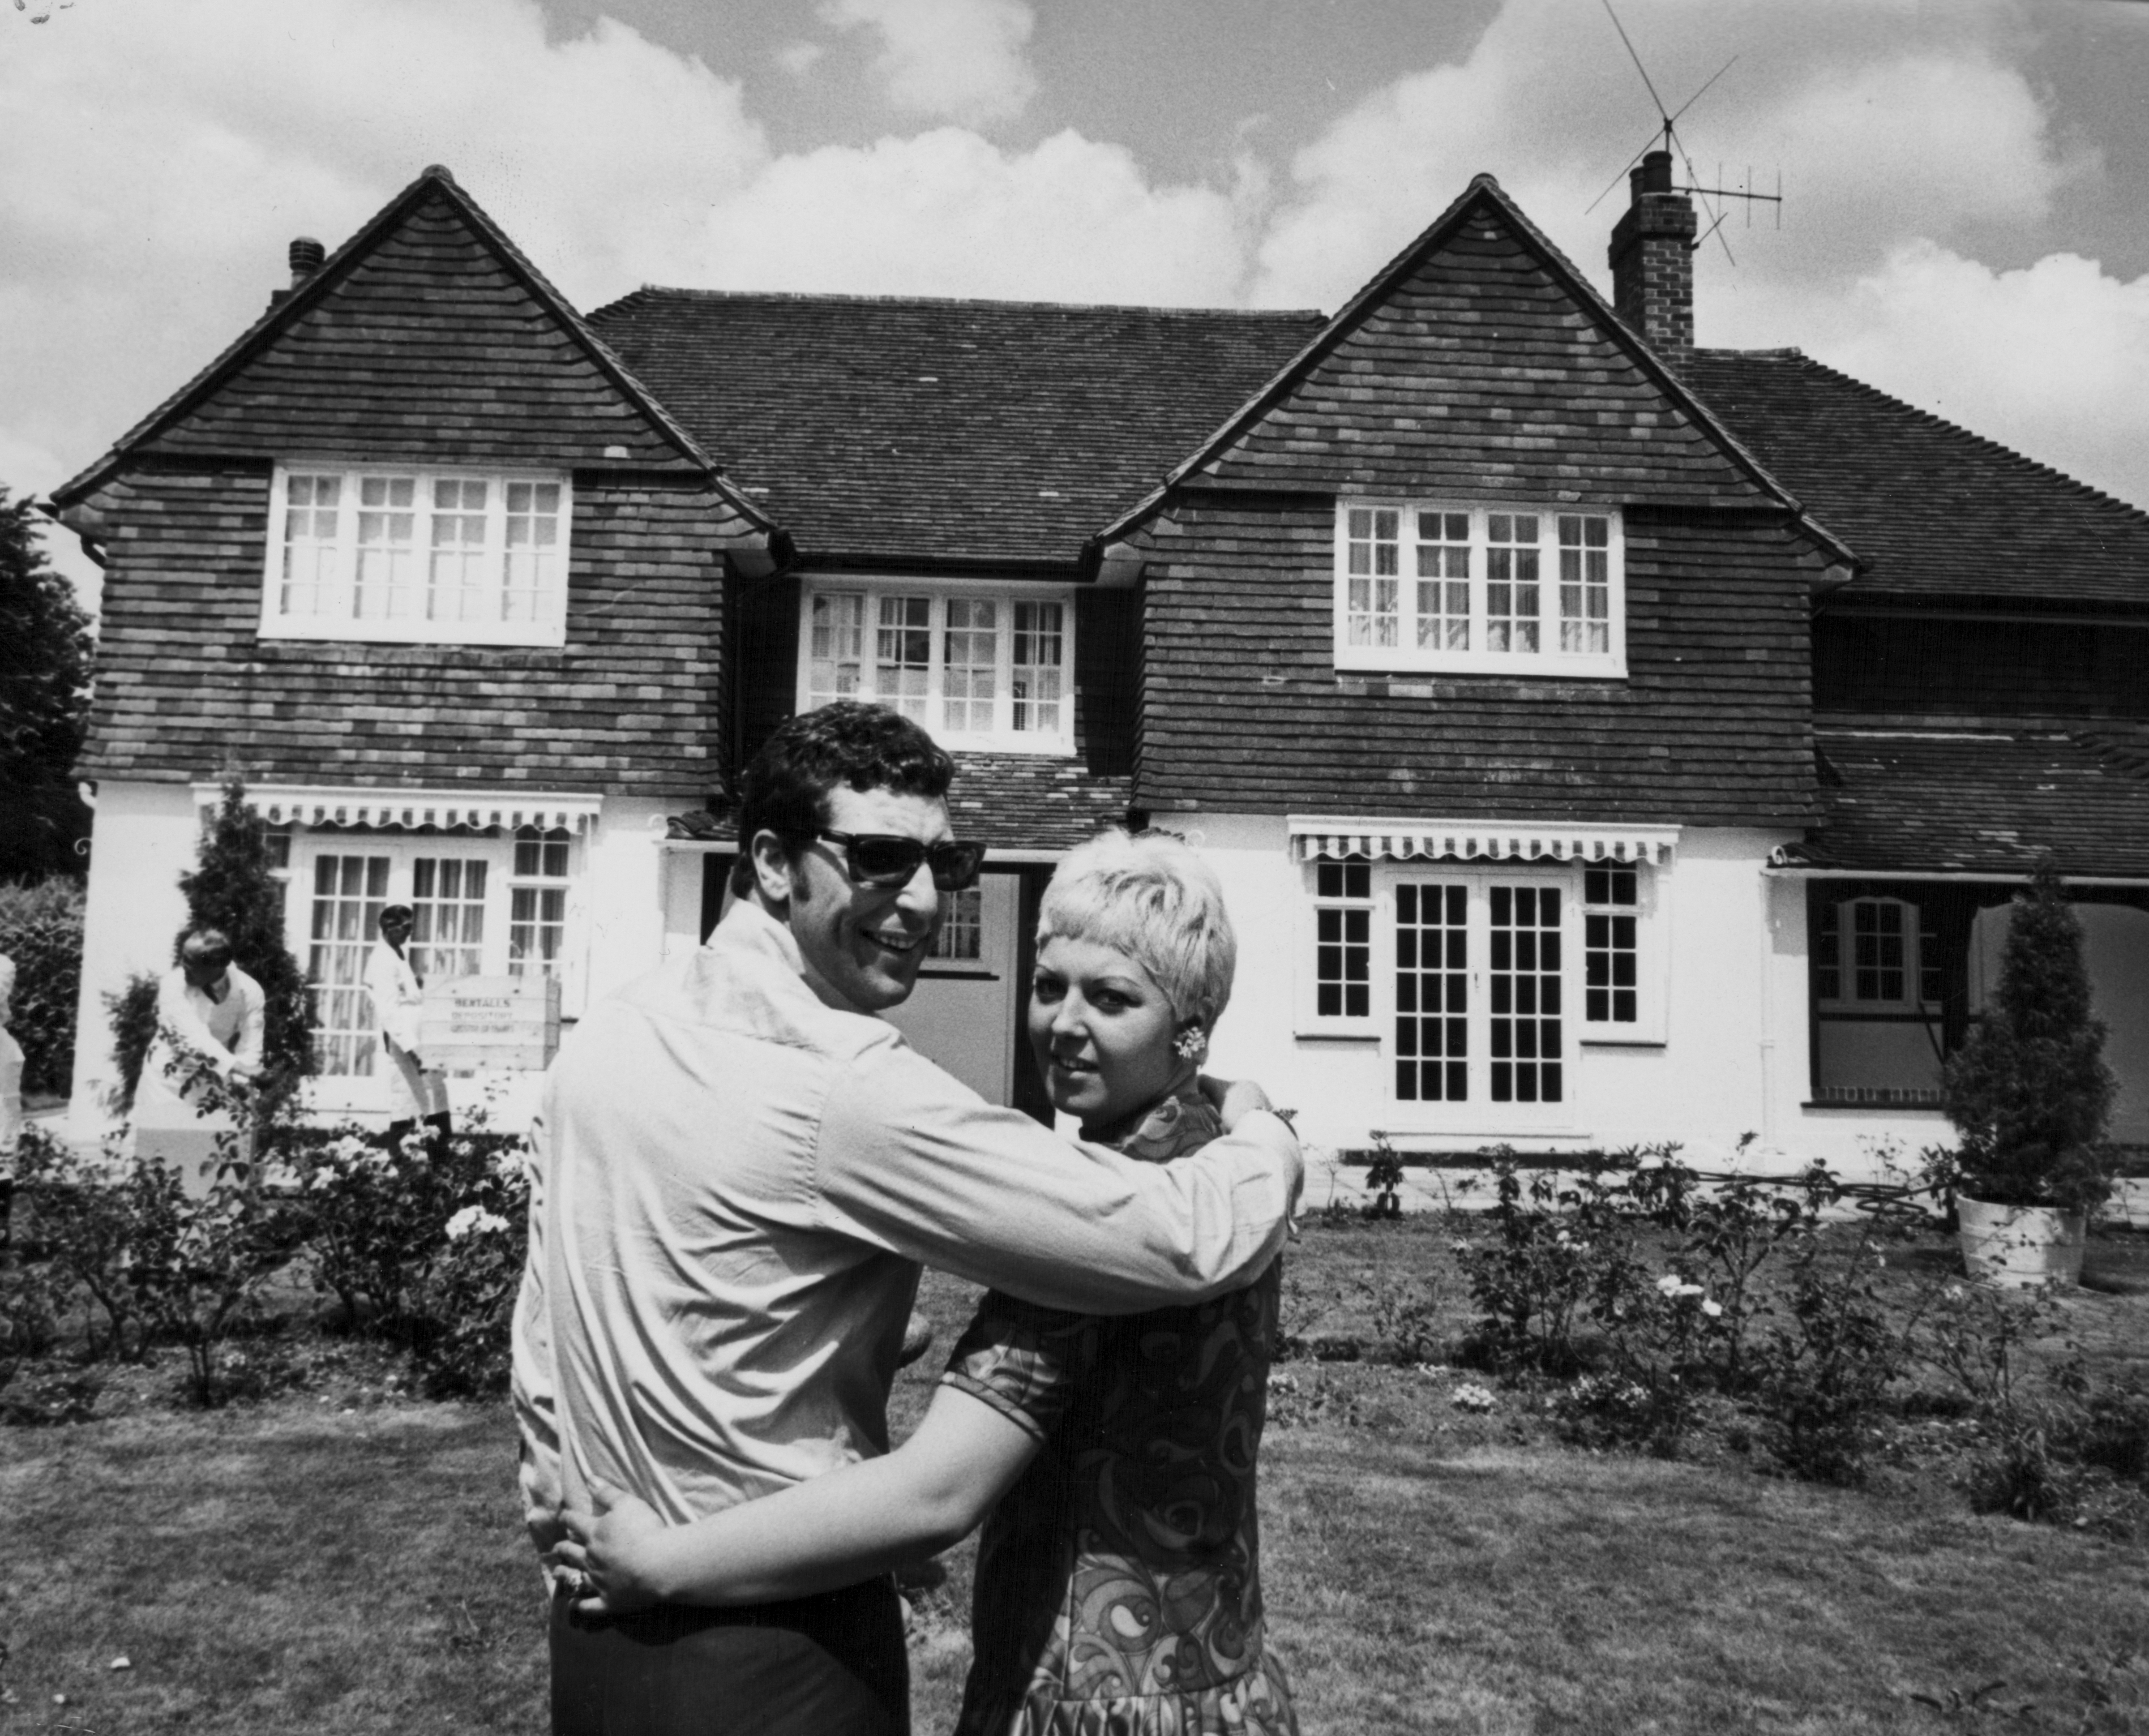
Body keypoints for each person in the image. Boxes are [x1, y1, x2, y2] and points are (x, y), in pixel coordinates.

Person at [514, 703, 1301, 1736]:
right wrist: (1273, 1140)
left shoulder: (614, 1030)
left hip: (601, 1623)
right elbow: (1171, 1235)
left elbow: (550, 1322)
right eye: (880, 858)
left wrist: (562, 1506)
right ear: (770, 862)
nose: (925, 898)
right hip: (766, 1641)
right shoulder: (842, 1085)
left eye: (948, 860)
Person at [363, 903, 452, 1150]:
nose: (411, 933)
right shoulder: (383, 960)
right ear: (390, 928)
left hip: (419, 1039)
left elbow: (406, 992)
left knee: (433, 1098)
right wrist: (413, 1050)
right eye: (407, 927)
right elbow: (388, 1012)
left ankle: (437, 1163)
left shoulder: (396, 954)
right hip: (405, 1044)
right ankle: (403, 1165)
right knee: (409, 1101)